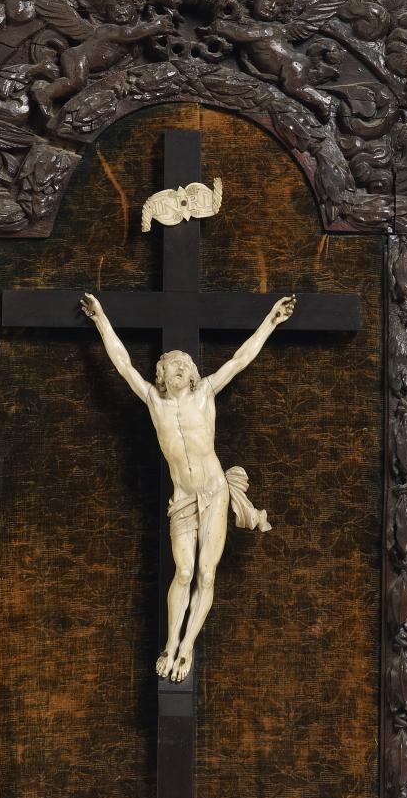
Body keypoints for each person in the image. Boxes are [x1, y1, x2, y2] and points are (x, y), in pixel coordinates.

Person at [81, 291, 295, 681]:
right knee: (183, 572)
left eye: (183, 364)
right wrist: (99, 320)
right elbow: (123, 363)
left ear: (193, 373)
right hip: (182, 498)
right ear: (161, 376)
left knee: (206, 575)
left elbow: (240, 359)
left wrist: (272, 320)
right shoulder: (154, 400)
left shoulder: (205, 393)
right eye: (170, 365)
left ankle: (186, 647)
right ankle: (169, 643)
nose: (178, 367)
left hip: (214, 491)